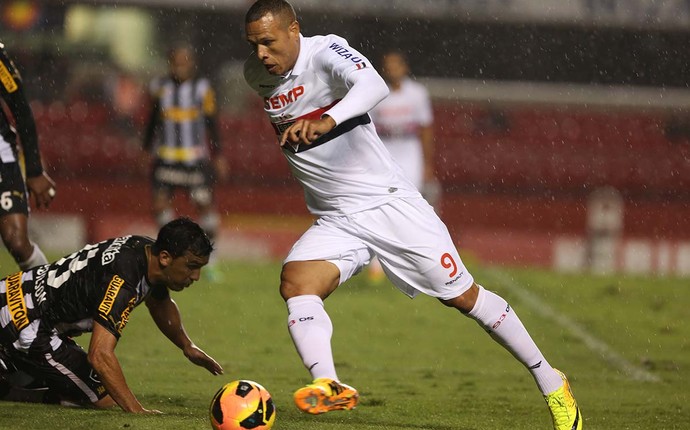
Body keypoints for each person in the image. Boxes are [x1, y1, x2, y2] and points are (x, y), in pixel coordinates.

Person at [242, 1, 582, 429]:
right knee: (296, 282)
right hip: (337, 217)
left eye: (268, 43)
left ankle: (551, 380)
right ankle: (327, 383)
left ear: (294, 30)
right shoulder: (256, 76)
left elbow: (373, 85)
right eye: (253, 45)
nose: (260, 55)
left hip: (390, 205)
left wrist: (328, 120)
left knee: (462, 297)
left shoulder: (326, 52)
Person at [0, 217, 223, 413]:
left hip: (10, 292)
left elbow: (159, 303)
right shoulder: (123, 282)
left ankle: (14, 364)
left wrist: (186, 346)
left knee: (94, 382)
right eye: (192, 266)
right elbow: (99, 355)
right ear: (165, 257)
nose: (196, 276)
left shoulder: (143, 248)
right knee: (106, 397)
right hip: (28, 325)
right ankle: (12, 387)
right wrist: (137, 410)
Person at [142, 43, 228, 250]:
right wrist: (145, 150)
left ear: (192, 64)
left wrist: (218, 155)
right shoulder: (159, 87)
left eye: (183, 62)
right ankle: (171, 248)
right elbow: (152, 121)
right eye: (175, 62)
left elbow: (212, 122)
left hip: (195, 158)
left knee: (204, 204)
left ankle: (211, 256)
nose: (179, 66)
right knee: (160, 204)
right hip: (166, 156)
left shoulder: (203, 89)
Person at [0, 42, 56, 272]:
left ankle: (51, 302)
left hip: (1, 158)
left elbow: (21, 107)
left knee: (16, 240)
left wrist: (34, 170)